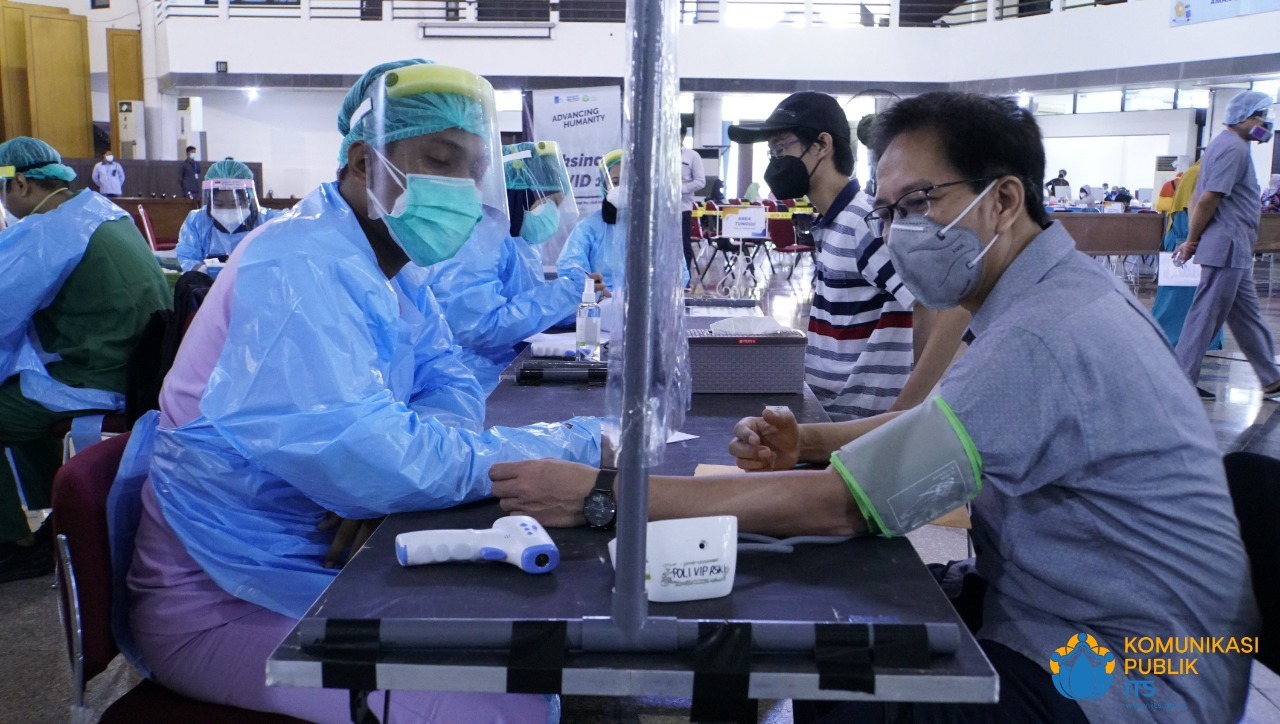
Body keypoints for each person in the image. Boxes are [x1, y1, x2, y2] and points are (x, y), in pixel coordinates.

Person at [491, 91, 1258, 723]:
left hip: (1123, 678)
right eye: (890, 211)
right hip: (1069, 621)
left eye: (920, 203)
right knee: (816, 632)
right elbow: (939, 429)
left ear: (1004, 201)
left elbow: (839, 508)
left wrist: (606, 497)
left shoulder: (1046, 335)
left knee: (842, 684)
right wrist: (812, 440)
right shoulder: (1052, 299)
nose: (898, 234)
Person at [115, 60, 600, 722]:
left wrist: (387, 480)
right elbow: (370, 453)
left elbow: (446, 378)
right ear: (362, 161)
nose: (459, 187)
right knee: (502, 707)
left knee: (523, 660)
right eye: (438, 158)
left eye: (471, 168)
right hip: (223, 596)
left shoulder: (393, 266)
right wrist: (564, 447)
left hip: (324, 562)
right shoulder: (299, 263)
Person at [727, 91, 970, 419]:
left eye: (781, 147)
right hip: (828, 409)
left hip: (857, 420)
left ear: (822, 146)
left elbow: (937, 305)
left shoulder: (865, 222)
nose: (775, 161)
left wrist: (910, 407)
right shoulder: (832, 222)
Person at [0, 137, 169, 583]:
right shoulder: (101, 211)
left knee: (6, 404)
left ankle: (13, 542)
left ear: (19, 183)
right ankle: (51, 517)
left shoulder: (49, 230)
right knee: (18, 393)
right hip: (131, 366)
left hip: (95, 373)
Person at [422, 141, 596, 394]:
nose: (554, 214)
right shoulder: (475, 239)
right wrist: (569, 292)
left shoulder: (519, 240)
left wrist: (577, 301)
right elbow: (479, 329)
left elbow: (525, 303)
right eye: (551, 203)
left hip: (504, 361)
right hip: (469, 375)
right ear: (523, 193)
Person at [1172, 90, 1280, 401]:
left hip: (1234, 248)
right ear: (1242, 117)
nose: (1265, 124)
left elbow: (1198, 196)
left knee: (1247, 317)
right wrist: (1192, 240)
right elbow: (1208, 199)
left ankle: (1271, 379)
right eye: (1260, 117)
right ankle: (1180, 381)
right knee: (1204, 315)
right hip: (1228, 247)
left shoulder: (1226, 146)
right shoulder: (1234, 148)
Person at [557, 149, 690, 295]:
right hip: (601, 307)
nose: (623, 188)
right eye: (615, 182)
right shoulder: (588, 228)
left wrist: (656, 297)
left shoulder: (657, 229)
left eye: (629, 181)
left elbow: (678, 273)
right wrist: (593, 292)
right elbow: (571, 268)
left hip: (646, 309)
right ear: (604, 187)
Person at [1151, 160, 1225, 350]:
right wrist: (1193, 240)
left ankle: (1193, 341)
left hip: (1186, 239)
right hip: (1185, 239)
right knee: (1180, 297)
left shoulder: (1199, 172)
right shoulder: (1199, 174)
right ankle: (1169, 339)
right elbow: (1194, 210)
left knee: (1195, 296)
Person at [174, 159, 285, 273]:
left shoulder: (272, 221)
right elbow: (187, 258)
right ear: (210, 201)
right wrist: (201, 270)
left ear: (248, 199)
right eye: (219, 204)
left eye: (235, 204)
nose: (228, 210)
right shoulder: (197, 221)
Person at [680, 129, 706, 282]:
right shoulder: (660, 155)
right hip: (662, 209)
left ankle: (686, 280)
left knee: (684, 243)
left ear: (682, 136)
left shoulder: (692, 156)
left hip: (682, 207)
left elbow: (700, 181)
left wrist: (681, 189)